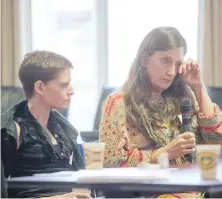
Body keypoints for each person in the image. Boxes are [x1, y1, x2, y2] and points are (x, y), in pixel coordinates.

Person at [99, 27, 222, 198]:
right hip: (151, 192)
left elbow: (216, 141)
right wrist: (163, 154)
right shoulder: (119, 103)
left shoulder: (185, 98)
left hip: (194, 188)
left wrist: (199, 86)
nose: (172, 71)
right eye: (165, 61)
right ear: (144, 59)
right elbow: (110, 162)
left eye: (178, 64)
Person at [1, 51, 91, 198]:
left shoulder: (63, 129)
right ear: (40, 87)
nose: (71, 91)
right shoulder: (13, 131)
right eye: (64, 85)